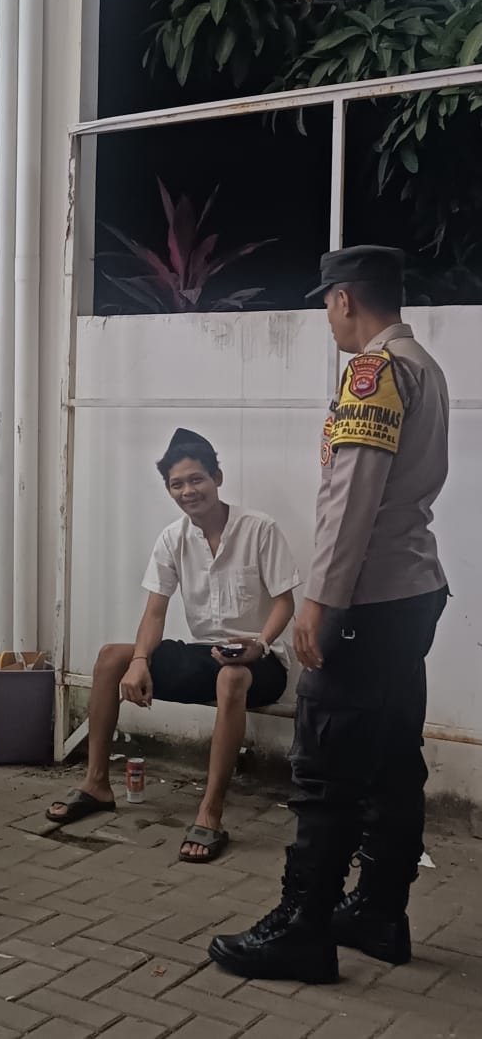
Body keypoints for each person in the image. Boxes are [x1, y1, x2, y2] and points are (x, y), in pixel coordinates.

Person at [210, 246, 450, 984]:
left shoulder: (374, 372)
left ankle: (302, 928)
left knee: (325, 767)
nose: (326, 317)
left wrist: (321, 599)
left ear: (345, 298)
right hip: (409, 595)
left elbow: (351, 500)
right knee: (390, 759)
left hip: (364, 602)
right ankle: (377, 912)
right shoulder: (424, 365)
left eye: (326, 304)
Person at [47, 429, 300, 863]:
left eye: (196, 479)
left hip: (261, 662)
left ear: (217, 477)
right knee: (112, 658)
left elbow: (285, 603)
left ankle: (210, 812)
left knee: (231, 677)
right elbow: (155, 613)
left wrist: (259, 643)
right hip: (205, 654)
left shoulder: (259, 529)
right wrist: (139, 661)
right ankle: (96, 784)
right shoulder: (172, 538)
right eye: (176, 484)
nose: (187, 491)